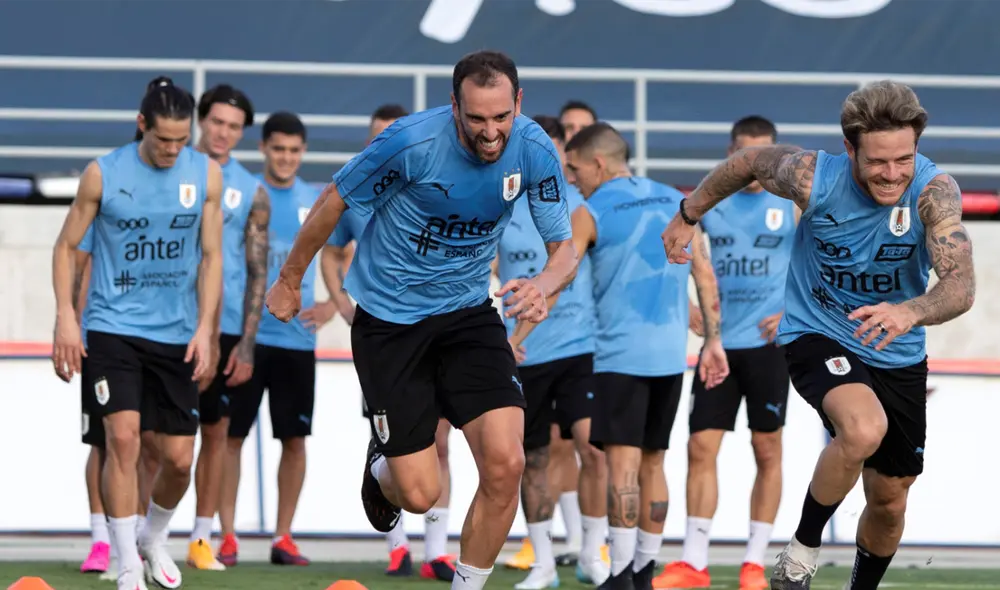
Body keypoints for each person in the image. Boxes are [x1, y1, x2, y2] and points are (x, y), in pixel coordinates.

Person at [265, 50, 579, 590]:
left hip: (468, 314)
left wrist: (543, 285)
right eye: (476, 118)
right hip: (390, 323)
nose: (490, 132)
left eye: (501, 117)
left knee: (506, 464)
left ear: (519, 103)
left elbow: (564, 249)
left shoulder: (533, 148)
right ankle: (381, 465)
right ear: (454, 105)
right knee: (419, 494)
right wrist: (290, 279)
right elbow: (334, 200)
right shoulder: (410, 143)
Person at [660, 80, 977, 590]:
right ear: (850, 148)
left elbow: (961, 285)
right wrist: (688, 213)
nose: (892, 174)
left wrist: (909, 312)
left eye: (904, 159)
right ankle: (802, 551)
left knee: (890, 501)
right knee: (863, 428)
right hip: (819, 330)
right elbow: (748, 161)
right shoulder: (812, 177)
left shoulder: (934, 192)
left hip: (896, 347)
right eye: (877, 162)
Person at [51, 76, 223, 590]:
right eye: (162, 139)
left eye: (181, 140)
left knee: (179, 460)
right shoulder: (103, 174)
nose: (172, 150)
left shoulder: (205, 174)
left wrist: (206, 329)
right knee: (121, 439)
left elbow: (212, 256)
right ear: (141, 124)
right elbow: (66, 246)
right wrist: (65, 316)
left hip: (175, 334)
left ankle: (153, 536)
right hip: (112, 328)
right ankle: (127, 563)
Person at [562, 122, 728, 590]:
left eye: (575, 169)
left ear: (598, 163)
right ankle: (642, 571)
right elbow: (705, 275)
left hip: (619, 357)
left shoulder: (590, 210)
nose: (572, 178)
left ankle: (618, 575)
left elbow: (560, 271)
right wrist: (713, 342)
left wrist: (524, 320)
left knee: (622, 466)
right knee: (654, 462)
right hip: (669, 358)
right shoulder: (677, 202)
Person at [653, 116, 796, 590]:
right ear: (730, 155)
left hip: (768, 347)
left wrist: (794, 311)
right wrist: (687, 304)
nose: (755, 165)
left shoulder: (793, 203)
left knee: (767, 448)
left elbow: (822, 262)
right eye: (744, 155)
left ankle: (754, 563)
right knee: (700, 446)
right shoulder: (709, 202)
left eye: (764, 155)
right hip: (719, 347)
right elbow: (674, 252)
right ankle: (694, 562)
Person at [326, 103, 458, 582]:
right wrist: (343, 305)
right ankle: (397, 547)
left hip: (440, 330)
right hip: (385, 336)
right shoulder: (358, 192)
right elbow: (331, 251)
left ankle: (437, 551)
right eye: (377, 137)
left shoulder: (435, 186)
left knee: (440, 440)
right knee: (392, 442)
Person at [217, 111, 339, 567]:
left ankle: (283, 537)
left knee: (294, 439)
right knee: (230, 437)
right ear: (263, 149)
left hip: (296, 341)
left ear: (303, 152)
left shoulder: (316, 199)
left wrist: (332, 304)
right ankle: (226, 536)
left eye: (293, 150)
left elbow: (347, 251)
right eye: (278, 149)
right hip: (245, 338)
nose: (286, 158)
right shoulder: (247, 193)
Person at [494, 114, 610, 589]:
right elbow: (481, 272)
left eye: (552, 148)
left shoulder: (581, 206)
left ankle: (592, 554)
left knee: (593, 447)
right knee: (533, 458)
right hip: (525, 355)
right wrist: (503, 341)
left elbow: (594, 273)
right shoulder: (498, 206)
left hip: (582, 347)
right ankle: (542, 562)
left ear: (563, 152)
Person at [184, 84, 270, 571]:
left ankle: (202, 537)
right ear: (201, 120)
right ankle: (133, 535)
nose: (223, 133)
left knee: (216, 433)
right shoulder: (172, 169)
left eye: (234, 127)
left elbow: (257, 272)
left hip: (228, 329)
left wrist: (247, 343)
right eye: (217, 122)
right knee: (154, 439)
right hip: (169, 323)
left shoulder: (251, 190)